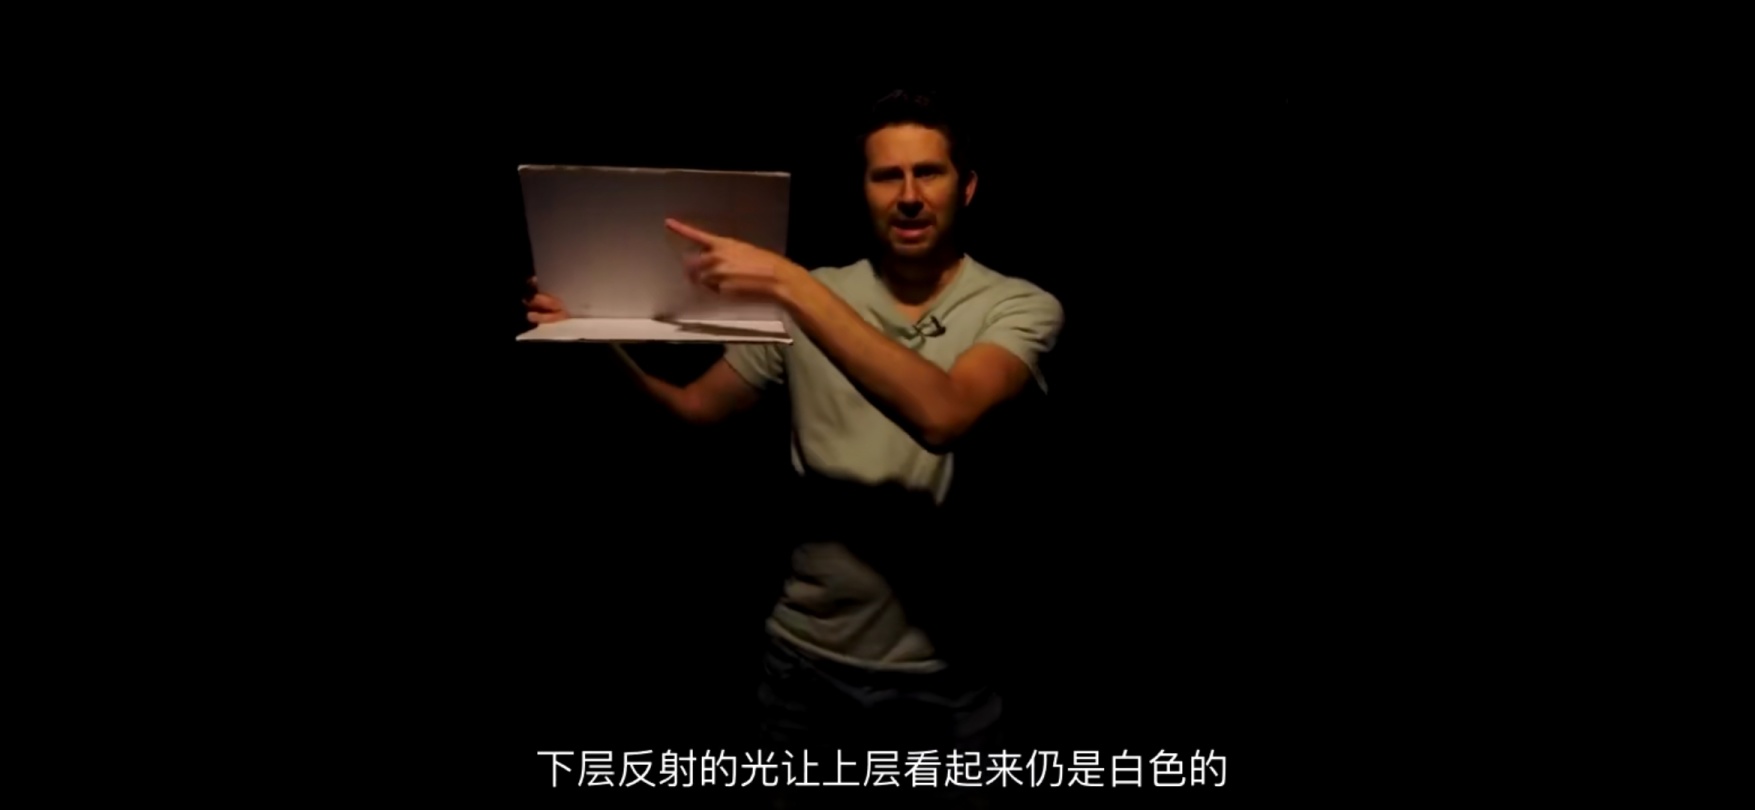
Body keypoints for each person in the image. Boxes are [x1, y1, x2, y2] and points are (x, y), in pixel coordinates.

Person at [525, 89, 1064, 805]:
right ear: (863, 190)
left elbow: (945, 414)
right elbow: (695, 409)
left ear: (964, 187)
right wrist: (587, 336)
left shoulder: (1017, 305)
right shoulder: (814, 293)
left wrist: (788, 283)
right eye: (886, 176)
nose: (907, 196)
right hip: (804, 662)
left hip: (947, 674)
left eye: (927, 173)